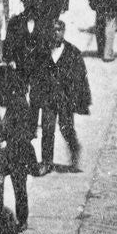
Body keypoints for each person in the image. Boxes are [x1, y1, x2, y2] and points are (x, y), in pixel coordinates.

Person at [34, 19, 91, 175]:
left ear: (64, 32)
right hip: (48, 99)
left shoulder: (73, 52)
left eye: (59, 30)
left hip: (65, 99)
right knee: (47, 129)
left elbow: (81, 78)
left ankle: (74, 151)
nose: (56, 33)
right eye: (53, 30)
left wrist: (80, 101)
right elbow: (37, 76)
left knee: (66, 128)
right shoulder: (43, 52)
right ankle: (46, 162)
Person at [0, 67, 38, 232]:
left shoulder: (21, 105)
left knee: (19, 189)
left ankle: (22, 220)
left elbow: (26, 132)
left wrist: (9, 142)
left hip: (16, 155)